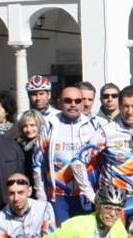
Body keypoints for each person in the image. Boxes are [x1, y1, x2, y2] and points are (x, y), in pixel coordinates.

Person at [71, 86, 133, 222]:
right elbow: (77, 161)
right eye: (125, 106)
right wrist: (90, 194)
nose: (130, 111)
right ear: (119, 106)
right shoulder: (107, 131)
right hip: (113, 203)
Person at [33, 86, 101, 224]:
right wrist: (41, 196)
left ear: (83, 103)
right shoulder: (49, 125)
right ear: (59, 102)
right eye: (68, 100)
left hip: (86, 194)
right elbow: (37, 161)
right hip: (58, 195)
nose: (73, 104)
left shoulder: (94, 125)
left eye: (77, 101)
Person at [13, 110, 45, 186]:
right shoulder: (16, 145)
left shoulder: (45, 145)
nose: (28, 130)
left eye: (32, 125)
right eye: (25, 126)